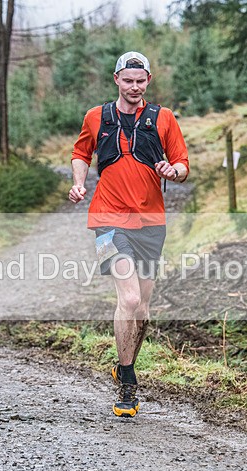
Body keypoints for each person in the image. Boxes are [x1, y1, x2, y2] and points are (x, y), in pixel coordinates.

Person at [69, 51, 189, 418]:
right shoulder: (97, 116)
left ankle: (123, 366)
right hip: (107, 220)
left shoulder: (163, 118)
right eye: (128, 80)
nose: (134, 87)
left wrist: (174, 172)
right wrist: (78, 183)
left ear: (148, 81)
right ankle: (128, 387)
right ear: (116, 79)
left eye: (141, 81)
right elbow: (80, 152)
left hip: (152, 224)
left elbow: (183, 164)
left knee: (144, 311)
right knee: (131, 299)